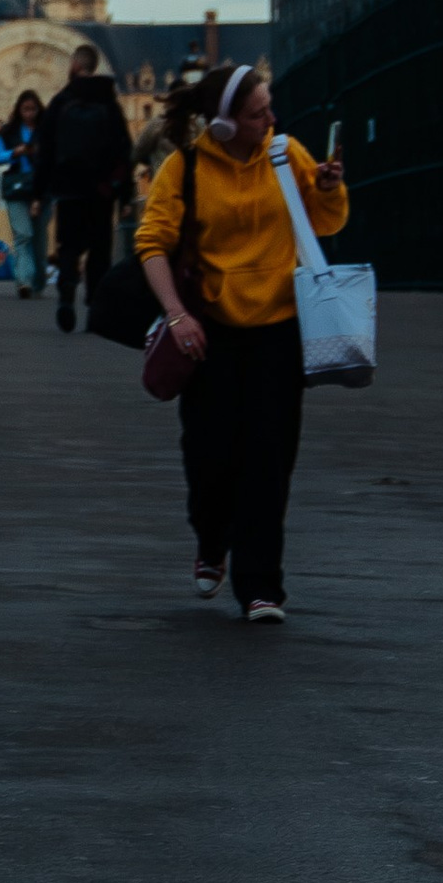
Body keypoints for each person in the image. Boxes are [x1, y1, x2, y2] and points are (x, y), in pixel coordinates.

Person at [133, 58, 347, 622]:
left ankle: (261, 587)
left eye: (268, 109)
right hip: (211, 332)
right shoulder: (185, 168)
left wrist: (328, 189)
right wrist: (177, 315)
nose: (270, 120)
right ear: (225, 124)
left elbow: (325, 225)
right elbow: (152, 243)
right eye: (257, 115)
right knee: (208, 458)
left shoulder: (286, 154)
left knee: (269, 460)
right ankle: (211, 540)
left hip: (279, 329)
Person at [40, 43, 134, 334]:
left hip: (68, 187)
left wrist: (40, 190)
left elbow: (45, 147)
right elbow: (124, 149)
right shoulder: (108, 101)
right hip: (101, 190)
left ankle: (67, 291)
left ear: (75, 66)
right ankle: (95, 306)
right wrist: (125, 194)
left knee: (68, 245)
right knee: (99, 248)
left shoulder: (61, 100)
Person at [0, 86, 48, 297]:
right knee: (23, 235)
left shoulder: (46, 131)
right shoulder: (9, 132)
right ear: (19, 110)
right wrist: (15, 152)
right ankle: (24, 281)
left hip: (41, 189)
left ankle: (38, 281)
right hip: (17, 187)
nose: (29, 113)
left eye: (33, 109)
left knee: (39, 238)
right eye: (25, 109)